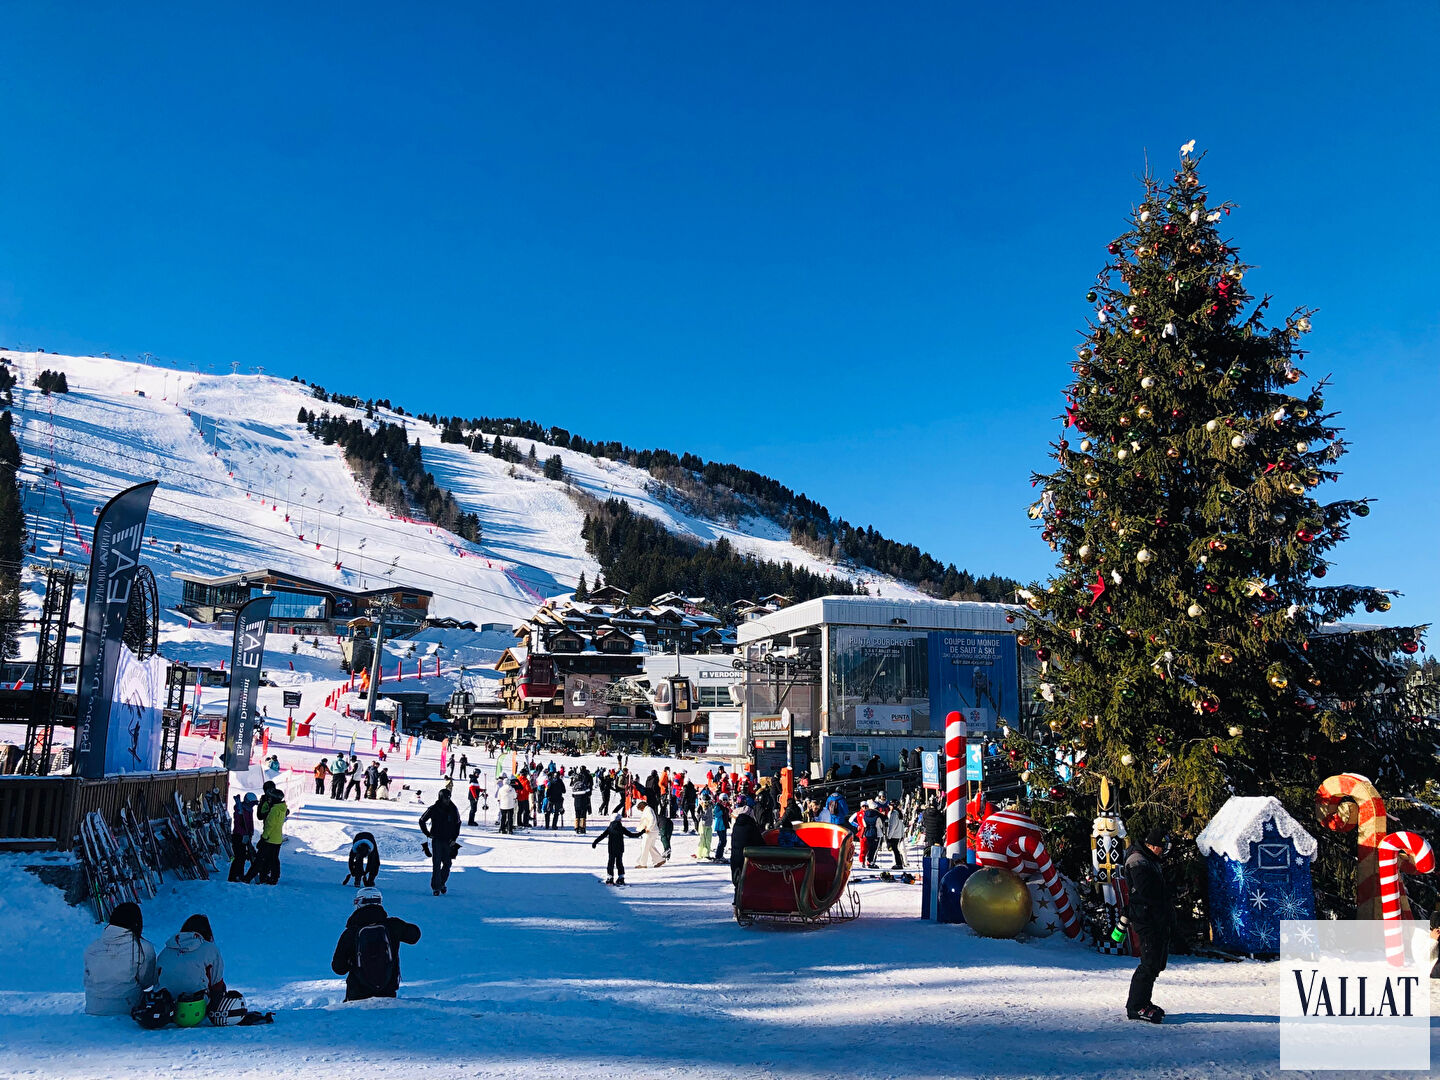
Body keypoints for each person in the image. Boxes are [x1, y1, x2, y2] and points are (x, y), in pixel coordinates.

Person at [331, 888, 421, 1002]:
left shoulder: (351, 933)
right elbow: (414, 936)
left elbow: (339, 968)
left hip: (357, 995)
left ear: (359, 903)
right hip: (388, 993)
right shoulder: (393, 926)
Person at [1124, 827, 1174, 1024]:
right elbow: (1146, 892)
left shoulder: (1149, 859)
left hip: (1155, 918)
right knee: (1149, 963)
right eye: (1163, 847)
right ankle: (1136, 1006)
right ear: (1153, 846)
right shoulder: (1138, 861)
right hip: (1146, 919)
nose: (1164, 851)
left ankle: (1144, 1001)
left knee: (1156, 963)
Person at [83, 901, 157, 1015]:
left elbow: (87, 979)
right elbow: (147, 982)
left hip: (93, 1007)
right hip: (127, 1006)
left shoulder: (92, 947)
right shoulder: (143, 948)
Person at [155, 914, 226, 1011]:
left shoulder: (166, 950)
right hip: (196, 1005)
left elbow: (155, 978)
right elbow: (216, 982)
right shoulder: (210, 948)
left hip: (165, 1004)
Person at [419, 789, 462, 896]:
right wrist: (427, 833)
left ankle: (442, 883)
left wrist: (454, 838)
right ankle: (436, 887)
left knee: (447, 863)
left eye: (449, 797)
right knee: (436, 863)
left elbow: (458, 823)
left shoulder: (453, 808)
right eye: (446, 798)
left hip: (449, 840)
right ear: (441, 797)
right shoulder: (433, 808)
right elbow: (422, 820)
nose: (448, 800)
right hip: (437, 839)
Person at [247, 786, 288, 885]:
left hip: (269, 839)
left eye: (271, 798)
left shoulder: (274, 810)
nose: (269, 799)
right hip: (277, 839)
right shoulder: (282, 807)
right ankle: (272, 877)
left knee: (259, 859)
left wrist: (263, 838)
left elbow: (269, 825)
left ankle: (248, 877)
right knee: (273, 859)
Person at [592, 812, 641, 885]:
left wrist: (595, 842)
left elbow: (602, 836)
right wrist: (641, 832)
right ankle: (621, 878)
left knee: (610, 863)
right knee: (619, 863)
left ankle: (610, 878)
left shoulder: (610, 828)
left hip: (612, 848)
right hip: (620, 848)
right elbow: (631, 835)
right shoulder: (621, 828)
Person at [729, 798, 765, 887]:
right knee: (747, 883)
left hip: (735, 857)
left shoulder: (737, 825)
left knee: (737, 882)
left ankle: (737, 894)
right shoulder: (751, 826)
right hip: (746, 860)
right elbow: (759, 842)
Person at [228, 792, 256, 882]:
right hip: (238, 836)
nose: (253, 806)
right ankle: (233, 876)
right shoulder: (239, 809)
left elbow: (250, 822)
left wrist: (251, 832)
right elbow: (237, 824)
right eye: (252, 803)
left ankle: (240, 875)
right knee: (239, 857)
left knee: (243, 857)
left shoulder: (250, 810)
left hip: (246, 836)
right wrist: (244, 833)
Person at [633, 798, 666, 868]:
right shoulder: (648, 810)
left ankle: (643, 864)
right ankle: (659, 860)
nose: (641, 811)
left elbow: (652, 819)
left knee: (644, 847)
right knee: (650, 847)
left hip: (650, 832)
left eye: (640, 809)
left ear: (642, 807)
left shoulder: (648, 810)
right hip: (653, 831)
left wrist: (648, 828)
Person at [883, 799, 907, 869]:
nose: (889, 806)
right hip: (898, 834)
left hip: (894, 834)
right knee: (895, 849)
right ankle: (899, 863)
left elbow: (892, 826)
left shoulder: (894, 814)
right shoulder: (899, 813)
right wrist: (901, 835)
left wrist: (889, 837)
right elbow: (901, 825)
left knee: (895, 849)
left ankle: (899, 863)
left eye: (890, 805)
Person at [571, 766, 593, 834]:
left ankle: (576, 827)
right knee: (583, 813)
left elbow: (572, 789)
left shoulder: (576, 777)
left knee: (577, 813)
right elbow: (590, 787)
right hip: (584, 797)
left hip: (576, 798)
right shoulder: (588, 776)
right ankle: (582, 828)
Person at [711, 795, 730, 862]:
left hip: (724, 826)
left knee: (724, 841)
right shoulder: (718, 806)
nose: (725, 801)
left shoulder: (724, 807)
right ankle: (718, 856)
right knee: (722, 841)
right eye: (724, 800)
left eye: (726, 800)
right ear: (721, 800)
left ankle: (720, 855)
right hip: (719, 826)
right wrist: (723, 811)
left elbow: (726, 815)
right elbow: (715, 814)